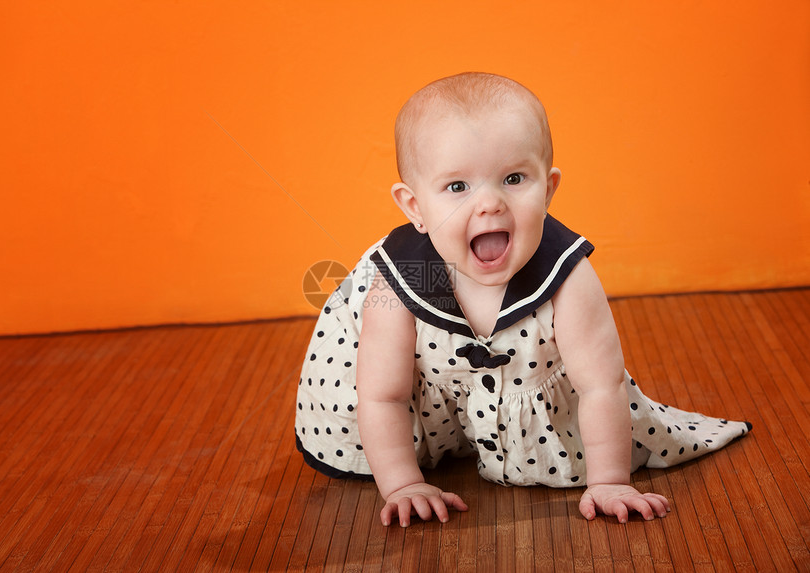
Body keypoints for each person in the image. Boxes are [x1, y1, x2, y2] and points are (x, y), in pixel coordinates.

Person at [294, 72, 751, 527]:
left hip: (531, 398)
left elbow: (600, 386)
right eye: (457, 187)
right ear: (414, 207)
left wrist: (609, 480)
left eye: (514, 178)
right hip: (423, 410)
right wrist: (402, 485)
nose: (490, 203)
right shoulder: (399, 278)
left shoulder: (567, 275)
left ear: (548, 189)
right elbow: (384, 397)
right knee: (380, 401)